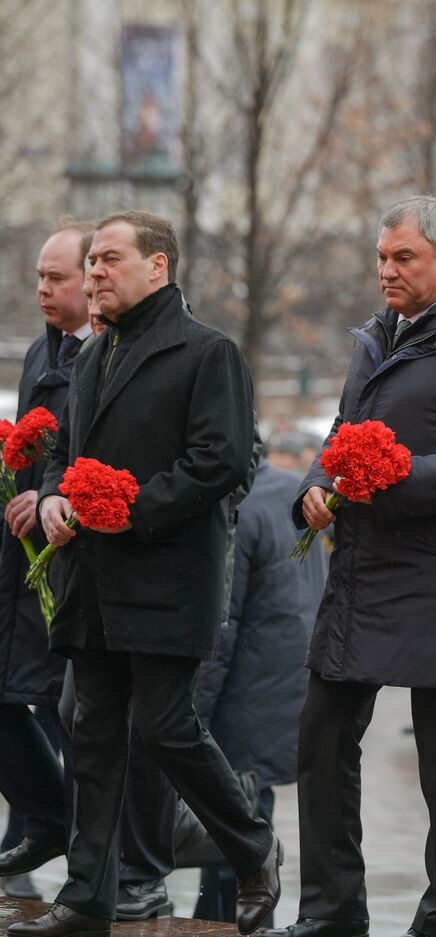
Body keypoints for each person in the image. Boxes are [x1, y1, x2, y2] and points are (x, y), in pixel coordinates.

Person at [11, 210, 280, 937]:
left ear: (158, 267)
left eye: (109, 259)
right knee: (93, 731)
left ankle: (254, 846)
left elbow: (220, 461)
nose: (95, 271)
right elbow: (67, 451)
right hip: (93, 582)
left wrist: (126, 510)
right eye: (91, 260)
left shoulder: (207, 352)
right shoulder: (94, 355)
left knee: (165, 729)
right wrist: (63, 495)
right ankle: (88, 895)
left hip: (167, 579)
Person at [268, 195, 436, 937]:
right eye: (381, 256)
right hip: (364, 571)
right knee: (321, 738)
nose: (386, 270)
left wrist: (389, 476)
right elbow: (341, 434)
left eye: (403, 257)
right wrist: (318, 487)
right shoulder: (375, 337)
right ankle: (330, 910)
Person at [190, 451, 328, 922]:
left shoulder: (239, 508)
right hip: (289, 678)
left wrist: (194, 714)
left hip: (244, 689)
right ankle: (220, 915)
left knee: (235, 814)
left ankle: (232, 923)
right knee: (250, 806)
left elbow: (221, 625)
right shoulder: (292, 488)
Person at [0, 218, 94, 895]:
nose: (43, 289)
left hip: (76, 562)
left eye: (56, 277)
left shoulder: (108, 353)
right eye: (39, 276)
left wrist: (55, 495)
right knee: (14, 697)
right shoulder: (43, 353)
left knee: (68, 713)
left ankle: (97, 852)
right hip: (24, 563)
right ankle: (45, 819)